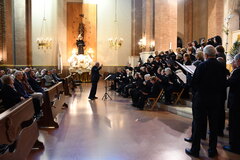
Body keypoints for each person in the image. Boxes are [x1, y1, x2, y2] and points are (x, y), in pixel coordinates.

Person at [185, 45, 226, 158]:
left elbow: (194, 83)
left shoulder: (202, 66)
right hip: (215, 99)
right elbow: (224, 83)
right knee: (214, 126)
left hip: (202, 99)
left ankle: (195, 150)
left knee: (198, 124)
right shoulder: (221, 66)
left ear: (206, 55)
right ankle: (212, 150)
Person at [223, 54, 240, 154]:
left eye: (234, 61)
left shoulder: (237, 72)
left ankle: (234, 146)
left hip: (236, 102)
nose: (233, 63)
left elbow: (228, 83)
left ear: (238, 61)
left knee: (234, 125)